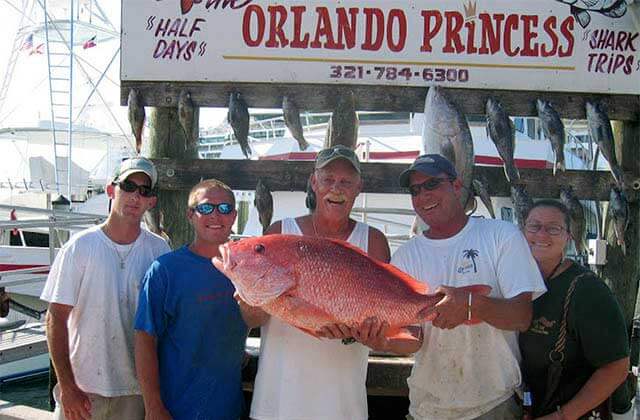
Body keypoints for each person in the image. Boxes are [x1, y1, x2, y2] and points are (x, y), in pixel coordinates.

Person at [361, 154, 547, 420]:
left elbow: (521, 316)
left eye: (432, 184)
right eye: (415, 190)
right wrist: (382, 340)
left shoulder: (501, 236)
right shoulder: (406, 256)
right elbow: (414, 340)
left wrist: (473, 305)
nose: (423, 195)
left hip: (493, 406)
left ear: (457, 185)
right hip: (427, 409)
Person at [249, 145, 391, 420]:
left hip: (344, 407)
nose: (336, 188)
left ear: (358, 187)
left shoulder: (372, 241)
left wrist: (361, 333)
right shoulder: (279, 234)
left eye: (345, 181)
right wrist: (249, 298)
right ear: (314, 182)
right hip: (277, 405)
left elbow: (383, 321)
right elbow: (252, 319)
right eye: (327, 179)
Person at [41, 157, 171, 420]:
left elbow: (167, 324)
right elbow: (55, 318)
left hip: (137, 394)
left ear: (151, 201)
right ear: (112, 190)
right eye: (128, 186)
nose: (136, 196)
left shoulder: (160, 251)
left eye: (144, 191)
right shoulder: (79, 247)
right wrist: (67, 387)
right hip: (83, 393)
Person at [134, 179, 267, 420]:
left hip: (230, 408)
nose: (216, 215)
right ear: (190, 215)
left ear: (234, 215)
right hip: (174, 410)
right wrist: (153, 406)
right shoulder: (164, 270)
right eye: (206, 208)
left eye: (225, 208)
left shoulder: (249, 268)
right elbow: (144, 340)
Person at [518, 200, 630, 420]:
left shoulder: (587, 291)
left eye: (553, 228)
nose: (542, 234)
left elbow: (616, 367)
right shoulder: (515, 281)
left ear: (568, 237)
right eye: (534, 226)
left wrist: (562, 417)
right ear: (523, 230)